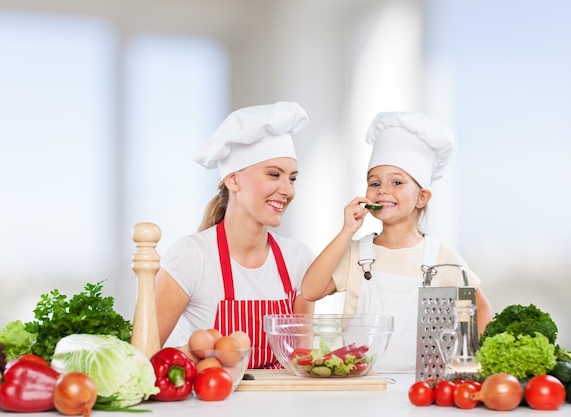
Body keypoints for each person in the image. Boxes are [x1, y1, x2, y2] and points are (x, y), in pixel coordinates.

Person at [301, 111, 493, 372]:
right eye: (374, 182)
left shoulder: (440, 255)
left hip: (424, 389)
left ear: (422, 198)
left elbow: (481, 309)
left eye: (397, 182)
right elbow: (311, 290)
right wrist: (347, 231)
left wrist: (470, 364)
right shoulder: (357, 253)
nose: (383, 190)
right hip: (365, 385)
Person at [154, 101, 315, 369]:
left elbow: (302, 362)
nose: (287, 190)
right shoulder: (191, 257)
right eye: (274, 174)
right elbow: (143, 356)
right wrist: (197, 353)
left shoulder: (298, 258)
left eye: (292, 178)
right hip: (211, 405)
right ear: (233, 180)